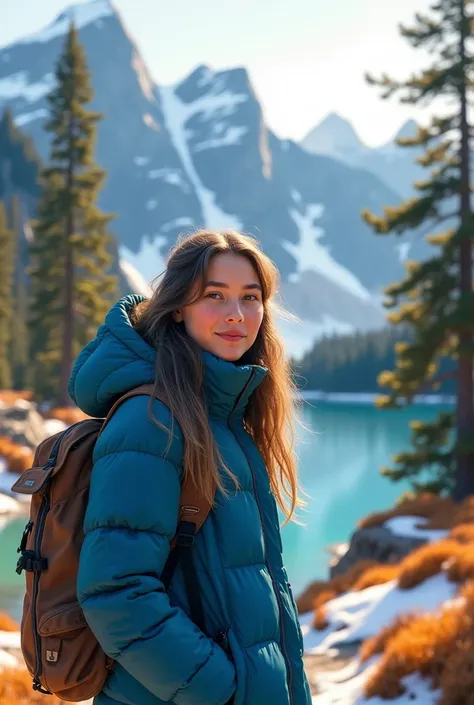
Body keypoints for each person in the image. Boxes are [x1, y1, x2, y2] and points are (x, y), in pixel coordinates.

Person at [69, 229, 311, 705]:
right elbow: (116, 592)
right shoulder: (152, 420)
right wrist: (219, 689)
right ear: (178, 306)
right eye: (214, 296)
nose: (236, 315)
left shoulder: (222, 414)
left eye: (250, 297)